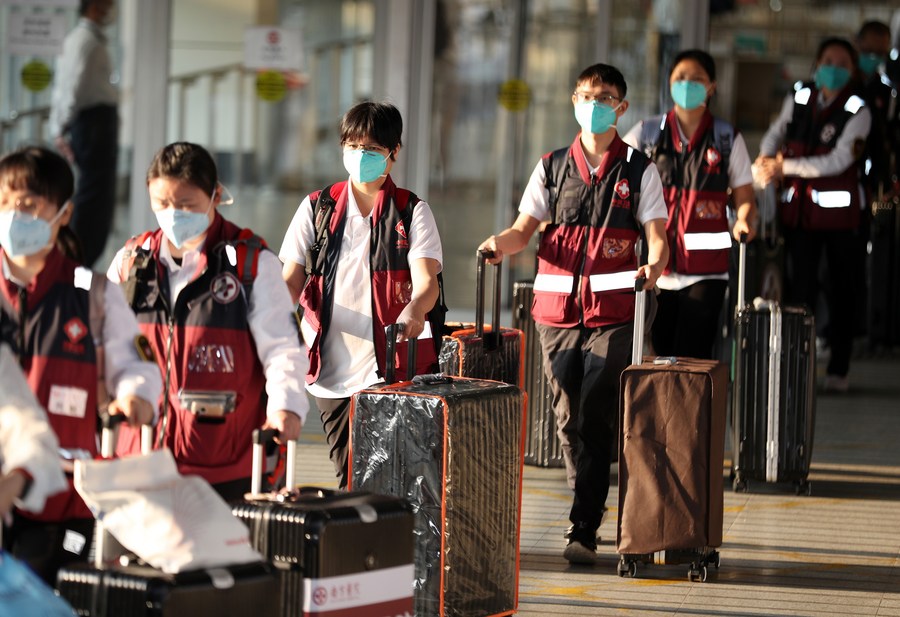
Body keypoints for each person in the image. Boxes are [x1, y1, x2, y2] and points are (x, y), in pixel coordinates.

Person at [478, 63, 668, 564]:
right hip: (556, 313)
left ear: (622, 107)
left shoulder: (639, 170)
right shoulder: (553, 167)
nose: (594, 104)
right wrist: (500, 244)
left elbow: (657, 235)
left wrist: (654, 266)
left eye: (604, 97)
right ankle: (589, 500)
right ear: (573, 101)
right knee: (567, 415)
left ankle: (583, 525)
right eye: (586, 96)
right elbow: (523, 230)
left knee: (596, 409)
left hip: (616, 312)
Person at [108, 142, 308, 501]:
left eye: (186, 204)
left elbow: (283, 348)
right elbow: (107, 345)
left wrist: (286, 407)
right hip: (139, 456)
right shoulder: (131, 262)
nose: (173, 214)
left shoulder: (250, 264)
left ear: (216, 195)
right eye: (161, 203)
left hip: (223, 462)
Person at [0, 146, 160, 584]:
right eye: (5, 203)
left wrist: (135, 394)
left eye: (29, 205)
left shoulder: (92, 292)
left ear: (64, 213)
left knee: (46, 598)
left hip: (64, 493)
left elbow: (138, 361)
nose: (14, 216)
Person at [280, 101, 444, 489]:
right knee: (349, 472)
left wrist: (415, 310)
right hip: (329, 369)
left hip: (390, 366)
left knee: (382, 477)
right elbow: (290, 279)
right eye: (352, 146)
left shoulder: (411, 211)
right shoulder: (317, 207)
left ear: (393, 152)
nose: (360, 156)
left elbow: (427, 282)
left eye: (371, 149)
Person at [623, 49, 757, 360]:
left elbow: (745, 197)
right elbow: (615, 176)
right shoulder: (646, 134)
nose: (687, 84)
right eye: (680, 77)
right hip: (656, 267)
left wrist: (744, 220)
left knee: (693, 355)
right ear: (669, 82)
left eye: (697, 79)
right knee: (659, 354)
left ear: (711, 86)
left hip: (706, 272)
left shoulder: (726, 138)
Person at [755, 37, 871, 393]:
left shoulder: (858, 110)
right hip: (800, 216)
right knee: (798, 289)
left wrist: (784, 167)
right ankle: (796, 367)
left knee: (841, 290)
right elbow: (774, 135)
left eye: (842, 64)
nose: (833, 69)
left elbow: (838, 161)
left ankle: (838, 369)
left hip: (842, 222)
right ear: (816, 64)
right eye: (828, 61)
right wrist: (766, 161)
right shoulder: (801, 97)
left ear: (852, 71)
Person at [49, 0, 119, 267]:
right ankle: (78, 259)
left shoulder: (91, 40)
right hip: (92, 123)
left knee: (98, 194)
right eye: (105, 5)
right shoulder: (84, 41)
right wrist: (59, 128)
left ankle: (83, 258)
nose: (109, 10)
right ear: (92, 7)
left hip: (96, 122)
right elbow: (69, 88)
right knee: (93, 196)